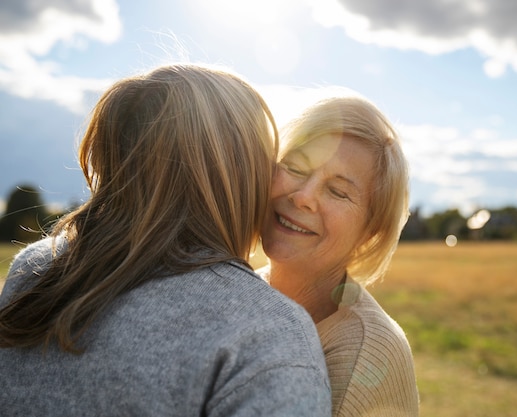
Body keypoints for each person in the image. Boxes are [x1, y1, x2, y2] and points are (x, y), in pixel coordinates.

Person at [0, 64, 331, 416]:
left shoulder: (34, 270)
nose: (278, 179)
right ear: (239, 172)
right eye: (269, 161)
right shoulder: (267, 330)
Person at [258, 95, 420, 416]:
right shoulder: (242, 292)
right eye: (296, 167)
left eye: (338, 191)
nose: (303, 197)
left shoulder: (368, 353)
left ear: (369, 232)